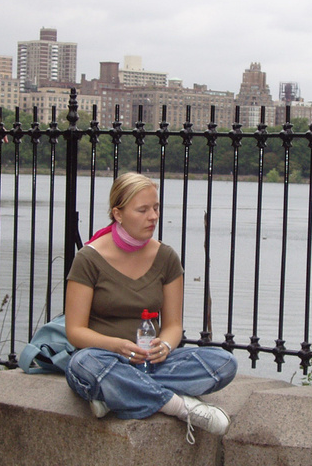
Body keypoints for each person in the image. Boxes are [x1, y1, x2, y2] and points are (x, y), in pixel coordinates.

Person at [63, 172, 238, 445]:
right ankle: (180, 406)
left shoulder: (166, 257)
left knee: (225, 363)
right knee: (83, 365)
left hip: (153, 364)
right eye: (143, 210)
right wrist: (116, 346)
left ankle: (119, 395)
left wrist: (165, 346)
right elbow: (75, 331)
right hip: (105, 359)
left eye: (155, 208)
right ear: (118, 214)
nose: (153, 216)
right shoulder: (89, 259)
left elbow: (173, 326)